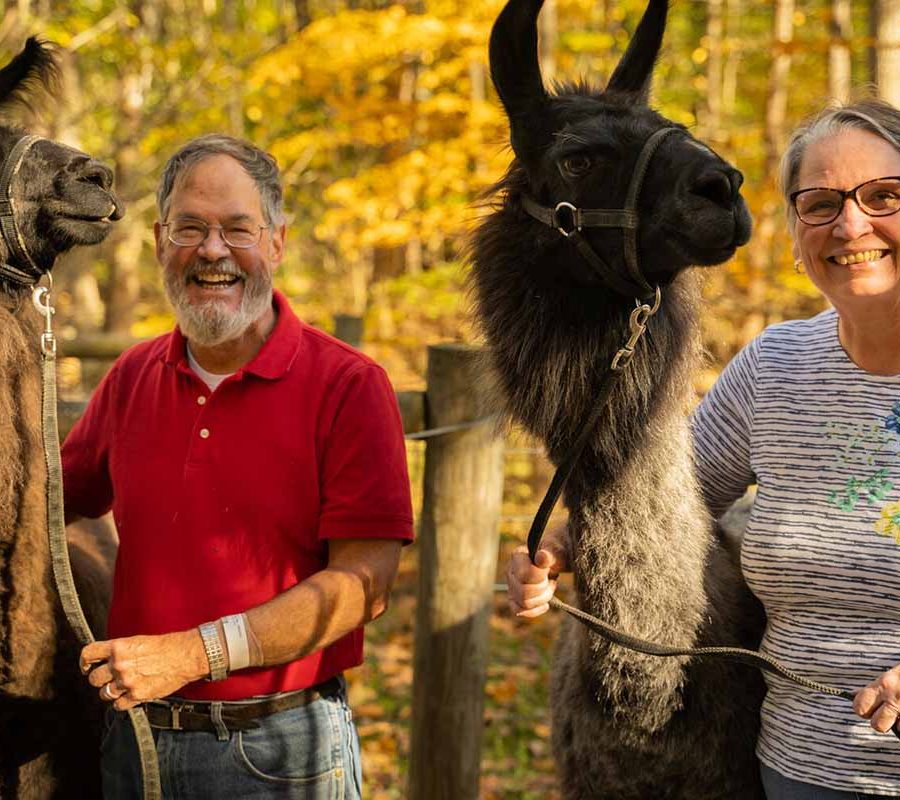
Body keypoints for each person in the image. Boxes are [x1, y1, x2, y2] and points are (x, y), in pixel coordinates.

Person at [508, 97, 900, 799]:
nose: (851, 224)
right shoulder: (777, 366)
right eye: (819, 204)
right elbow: (665, 503)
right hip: (797, 772)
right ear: (793, 228)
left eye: (884, 196)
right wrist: (559, 549)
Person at [62, 134, 414, 799]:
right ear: (162, 241)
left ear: (277, 242)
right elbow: (47, 501)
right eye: (190, 229)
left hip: (280, 752)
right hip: (133, 745)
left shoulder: (349, 384)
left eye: (237, 230)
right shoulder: (132, 376)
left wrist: (193, 654)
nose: (213, 251)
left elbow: (366, 583)